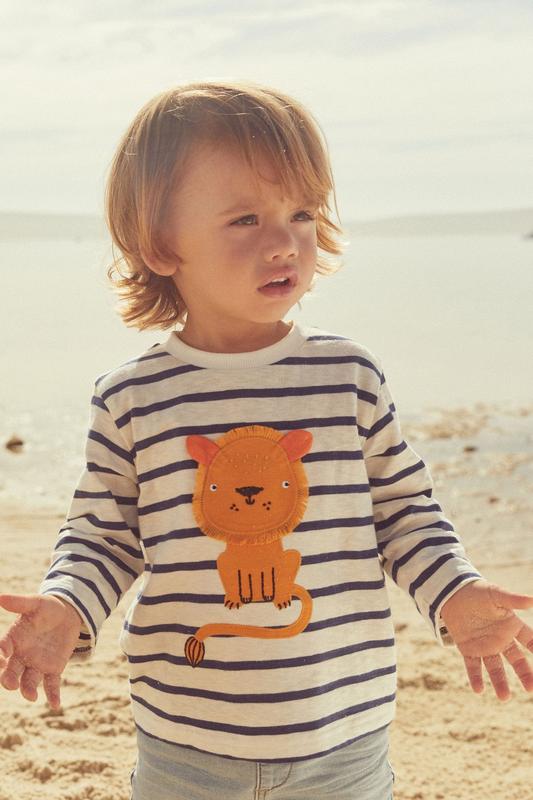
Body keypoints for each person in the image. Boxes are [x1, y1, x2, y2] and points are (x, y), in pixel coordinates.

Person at [1, 80, 532, 800]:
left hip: (343, 729)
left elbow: (402, 513)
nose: (284, 242)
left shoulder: (347, 377)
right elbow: (104, 534)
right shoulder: (133, 397)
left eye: (302, 213)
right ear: (161, 244)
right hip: (185, 736)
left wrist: (454, 591)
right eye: (245, 219)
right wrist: (68, 604)